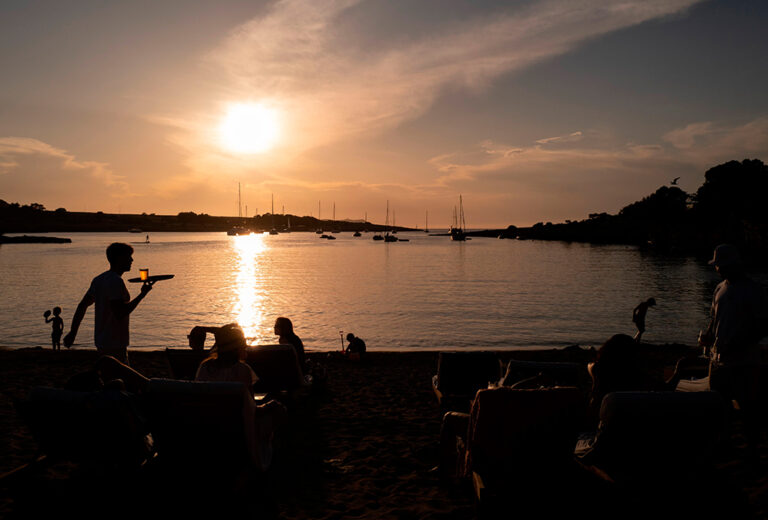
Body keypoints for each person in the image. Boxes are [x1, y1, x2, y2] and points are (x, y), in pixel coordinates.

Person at [699, 244, 767, 455]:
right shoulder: (719, 288)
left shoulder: (753, 291)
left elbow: (763, 326)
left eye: (718, 265)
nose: (717, 269)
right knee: (719, 405)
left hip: (744, 361)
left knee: (748, 407)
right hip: (718, 360)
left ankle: (753, 447)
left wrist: (740, 343)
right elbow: (714, 318)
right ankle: (725, 442)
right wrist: (709, 336)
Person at [63, 242, 154, 364]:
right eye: (128, 256)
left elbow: (82, 305)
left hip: (102, 341)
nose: (132, 260)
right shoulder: (115, 281)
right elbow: (120, 313)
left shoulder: (100, 279)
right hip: (114, 343)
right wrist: (142, 294)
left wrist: (73, 332)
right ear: (118, 258)